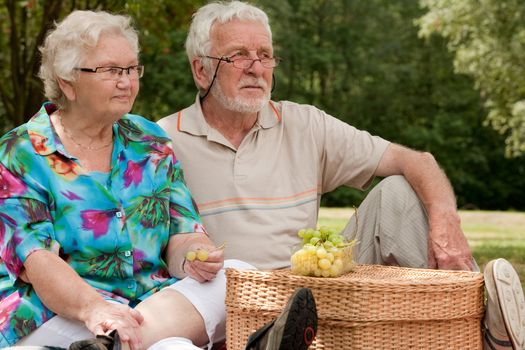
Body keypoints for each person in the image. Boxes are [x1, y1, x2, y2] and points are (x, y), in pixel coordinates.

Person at [157, 1, 525, 349]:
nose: (256, 67)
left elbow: (418, 161)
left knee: (398, 191)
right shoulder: (159, 142)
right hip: (230, 300)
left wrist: (446, 223)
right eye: (238, 55)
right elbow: (149, 245)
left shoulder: (304, 123)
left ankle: (482, 320)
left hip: (317, 290)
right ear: (201, 69)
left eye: (265, 55)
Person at [0, 10, 318, 350]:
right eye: (111, 70)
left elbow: (182, 231)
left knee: (235, 274)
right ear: (67, 81)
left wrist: (195, 255)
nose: (127, 81)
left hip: (147, 307)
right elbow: (37, 261)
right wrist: (95, 310)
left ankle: (113, 346)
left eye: (132, 69)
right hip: (61, 313)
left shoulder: (148, 139)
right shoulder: (20, 152)